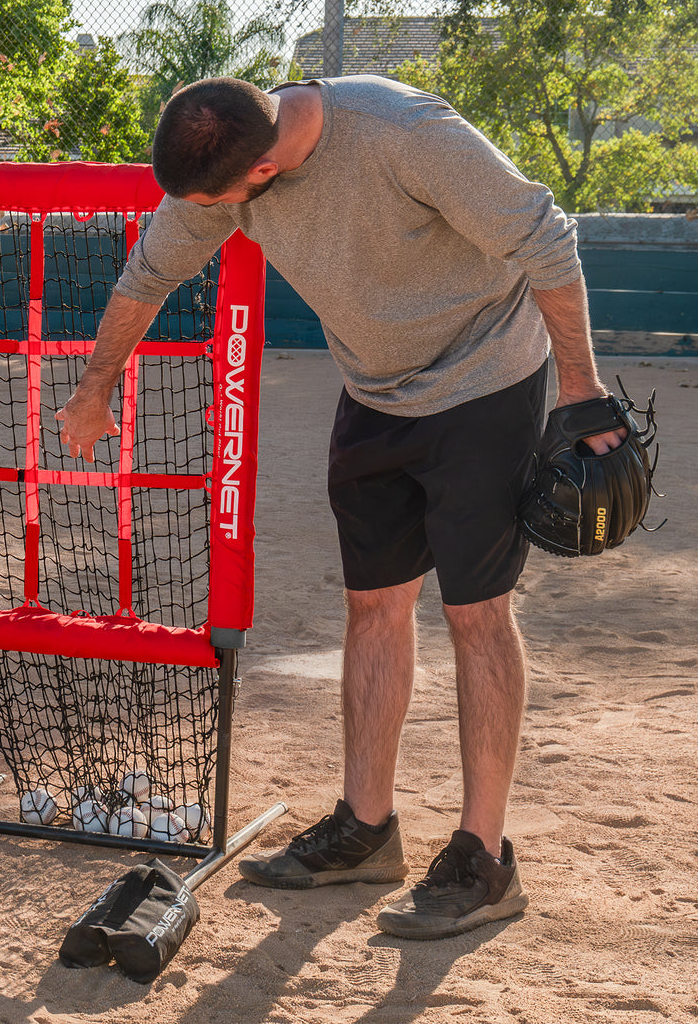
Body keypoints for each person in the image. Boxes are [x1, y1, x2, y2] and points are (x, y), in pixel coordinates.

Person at [56, 74, 624, 939]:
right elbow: (149, 274)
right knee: (372, 604)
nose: (207, 215)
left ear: (263, 168)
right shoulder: (231, 160)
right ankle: (367, 829)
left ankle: (484, 855)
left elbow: (547, 237)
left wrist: (579, 390)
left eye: (216, 203)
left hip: (484, 380)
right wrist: (96, 388)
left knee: (476, 613)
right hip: (374, 392)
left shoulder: (406, 134)